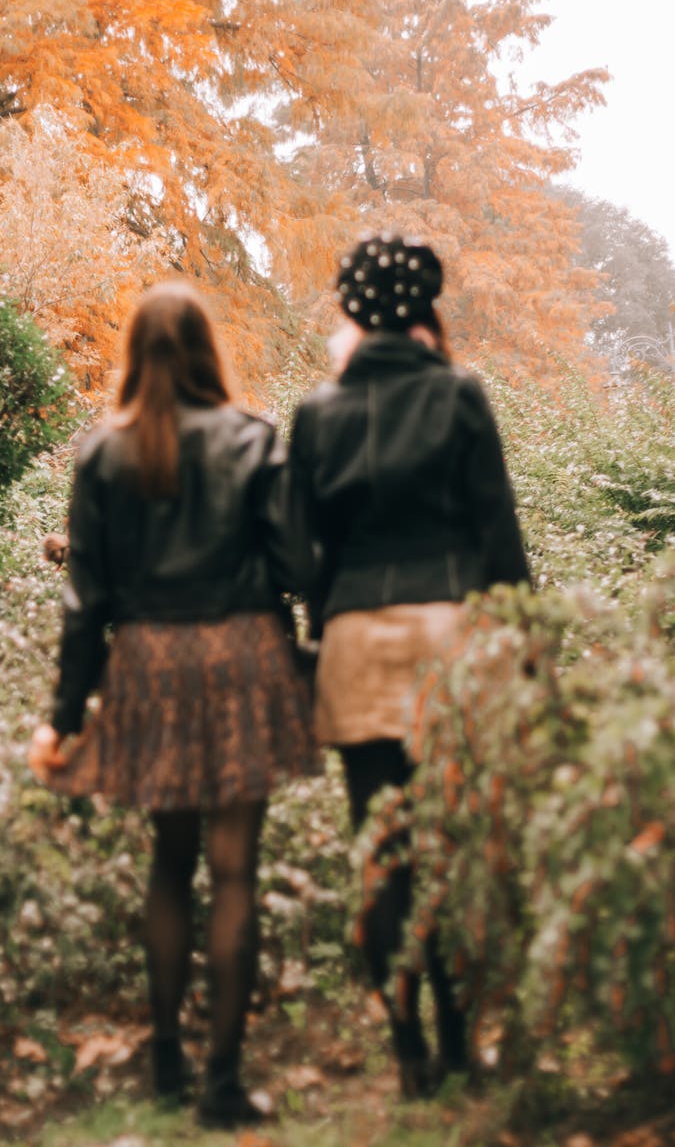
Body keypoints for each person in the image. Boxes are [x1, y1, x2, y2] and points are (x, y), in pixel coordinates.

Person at [28, 280, 317, 1128]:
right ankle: (222, 1083)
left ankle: (164, 1059)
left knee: (168, 860)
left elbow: (88, 604)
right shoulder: (252, 439)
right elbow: (299, 565)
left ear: (132, 352)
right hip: (241, 656)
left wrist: (66, 715)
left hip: (148, 662)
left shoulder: (101, 453)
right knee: (234, 871)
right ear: (205, 348)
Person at [289, 233, 530, 1097]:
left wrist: (319, 628)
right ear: (424, 309)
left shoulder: (316, 415)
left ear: (352, 312)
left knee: (379, 847)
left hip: (354, 634)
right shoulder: (460, 397)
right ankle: (462, 1039)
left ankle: (408, 1050)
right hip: (451, 633)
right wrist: (527, 655)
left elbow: (295, 552)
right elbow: (498, 536)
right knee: (452, 838)